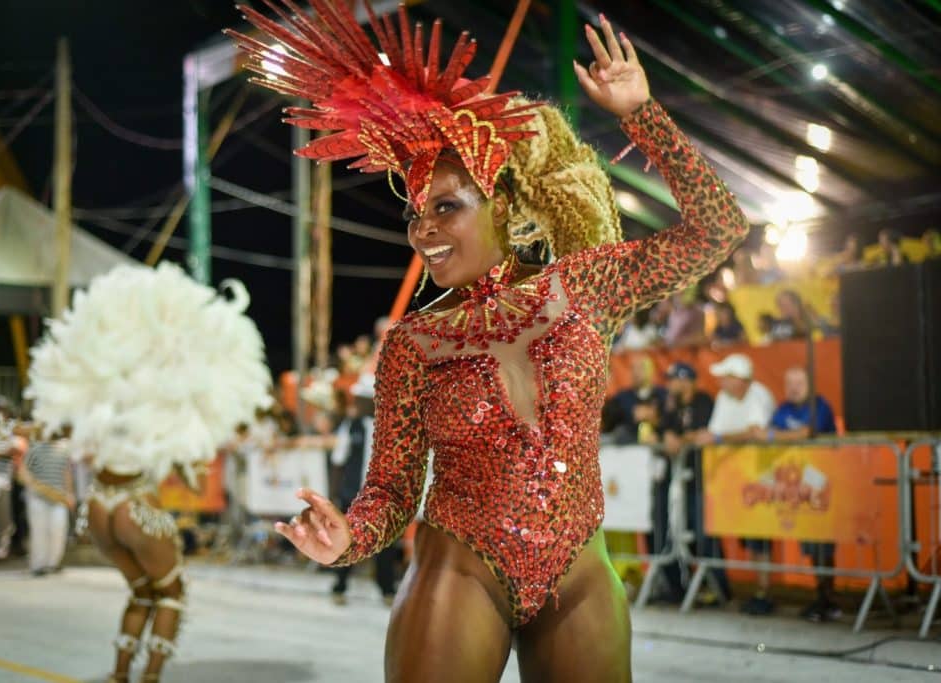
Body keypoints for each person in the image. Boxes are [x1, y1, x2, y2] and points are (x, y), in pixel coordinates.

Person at [230, 4, 748, 680]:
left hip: (580, 576)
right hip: (460, 575)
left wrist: (641, 114)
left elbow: (718, 229)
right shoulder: (414, 341)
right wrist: (348, 538)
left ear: (501, 205)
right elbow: (391, 488)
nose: (424, 230)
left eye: (446, 207)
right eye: (416, 214)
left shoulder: (585, 286)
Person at [25, 263, 272, 683]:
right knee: (171, 593)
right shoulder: (159, 402)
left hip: (98, 509)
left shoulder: (100, 398)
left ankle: (120, 674)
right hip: (135, 509)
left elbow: (61, 426)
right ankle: (150, 677)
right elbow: (189, 466)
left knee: (141, 591)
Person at [695, 353, 776, 615]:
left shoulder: (759, 395)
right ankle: (754, 589)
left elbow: (754, 432)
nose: (721, 382)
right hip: (734, 480)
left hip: (761, 478)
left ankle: (764, 590)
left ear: (740, 379)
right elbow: (716, 432)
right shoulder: (724, 398)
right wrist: (717, 438)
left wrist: (720, 439)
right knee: (747, 535)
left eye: (726, 377)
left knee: (759, 536)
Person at [765, 367, 840, 622]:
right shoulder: (783, 409)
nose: (794, 388)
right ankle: (820, 595)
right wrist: (777, 436)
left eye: (799, 383)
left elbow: (808, 432)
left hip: (822, 485)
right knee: (810, 543)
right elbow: (767, 433)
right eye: (790, 383)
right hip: (798, 487)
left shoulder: (821, 406)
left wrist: (776, 436)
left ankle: (828, 598)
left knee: (823, 544)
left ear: (810, 385)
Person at [656, 363, 728, 604]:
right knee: (677, 532)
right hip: (679, 481)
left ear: (686, 381)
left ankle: (718, 586)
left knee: (703, 532)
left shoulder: (703, 401)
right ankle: (684, 586)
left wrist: (681, 439)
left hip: (701, 479)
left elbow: (704, 432)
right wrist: (668, 435)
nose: (669, 384)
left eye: (673, 380)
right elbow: (665, 429)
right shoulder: (672, 404)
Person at [329, 375, 399, 606]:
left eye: (361, 398)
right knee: (347, 541)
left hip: (381, 498)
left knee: (385, 544)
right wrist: (334, 495)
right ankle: (340, 585)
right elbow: (338, 460)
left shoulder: (389, 427)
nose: (357, 402)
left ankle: (387, 589)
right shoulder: (351, 426)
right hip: (352, 496)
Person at [19, 429, 75, 576]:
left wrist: (69, 493)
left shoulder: (64, 450)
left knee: (58, 530)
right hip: (37, 497)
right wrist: (34, 485)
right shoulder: (34, 449)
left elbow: (67, 473)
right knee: (39, 531)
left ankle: (53, 563)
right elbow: (23, 470)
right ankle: (38, 565)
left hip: (58, 497)